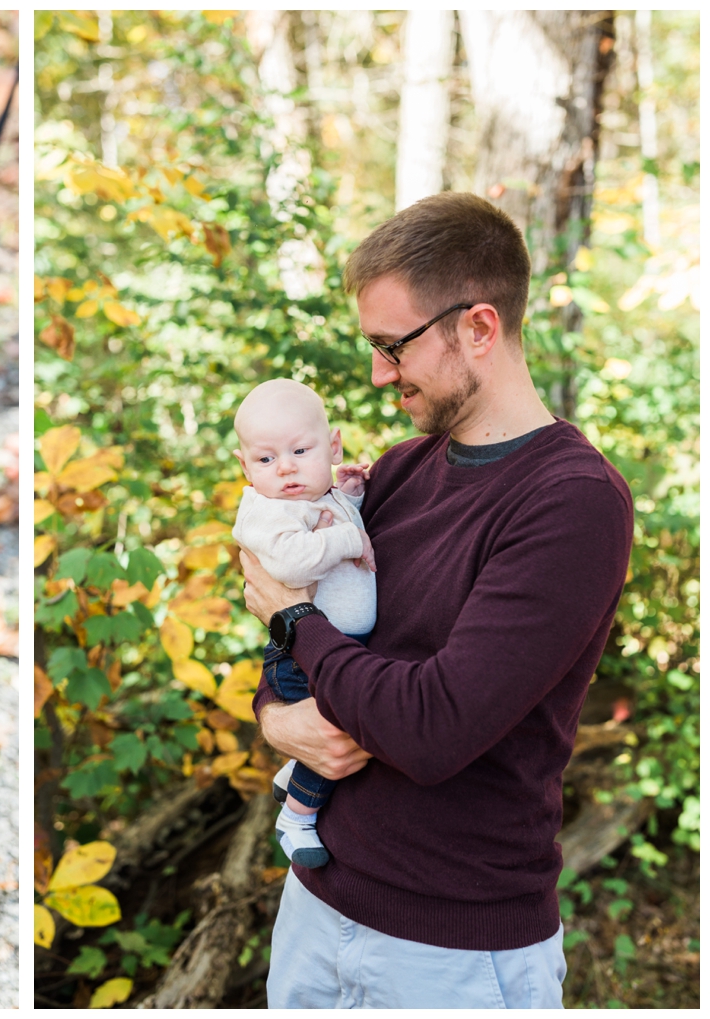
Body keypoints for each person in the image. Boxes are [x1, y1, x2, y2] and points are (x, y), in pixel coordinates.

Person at [241, 191, 631, 1008]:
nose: (380, 373)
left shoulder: (572, 501)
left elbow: (432, 725)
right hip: (316, 910)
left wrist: (290, 617)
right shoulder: (400, 471)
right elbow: (305, 657)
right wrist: (274, 718)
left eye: (394, 346)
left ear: (479, 328)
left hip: (454, 953)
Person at [228, 378, 375, 869]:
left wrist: (350, 495)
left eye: (300, 450)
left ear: (332, 447)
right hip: (300, 653)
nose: (286, 467)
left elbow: (329, 519)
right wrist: (353, 541)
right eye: (266, 459)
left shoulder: (314, 496)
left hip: (339, 644)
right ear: (245, 467)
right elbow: (293, 564)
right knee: (334, 728)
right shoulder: (266, 511)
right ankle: (297, 816)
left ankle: (293, 772)